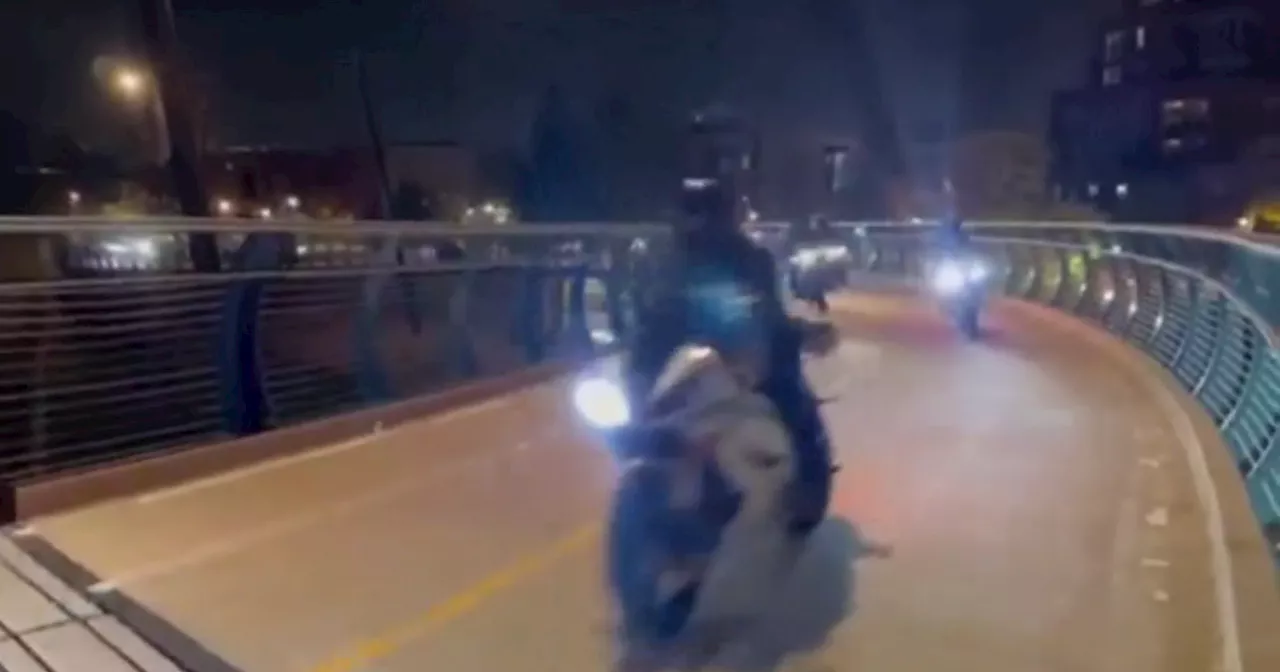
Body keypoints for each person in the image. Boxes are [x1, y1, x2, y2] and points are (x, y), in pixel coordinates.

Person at [625, 178, 832, 537]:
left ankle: (807, 485)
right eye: (694, 211)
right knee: (628, 398)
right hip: (676, 361)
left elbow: (769, 315)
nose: (699, 222)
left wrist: (793, 333)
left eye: (705, 211)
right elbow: (644, 311)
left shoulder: (749, 258)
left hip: (736, 359)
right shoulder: (660, 258)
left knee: (791, 392)